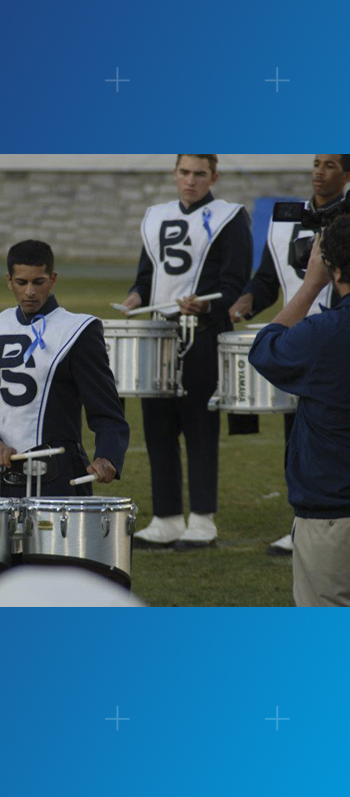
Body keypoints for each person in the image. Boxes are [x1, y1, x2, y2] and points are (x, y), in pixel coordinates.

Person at [121, 155, 252, 548]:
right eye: (184, 172)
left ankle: (203, 519)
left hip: (205, 332)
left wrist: (206, 306)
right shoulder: (157, 216)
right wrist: (134, 297)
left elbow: (235, 282)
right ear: (174, 174)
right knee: (157, 425)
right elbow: (147, 277)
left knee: (199, 425)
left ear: (214, 176)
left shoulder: (229, 217)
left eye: (199, 174)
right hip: (159, 332)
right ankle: (166, 517)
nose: (190, 181)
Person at [229, 155, 348, 555]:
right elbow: (268, 278)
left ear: (346, 176)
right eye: (315, 163)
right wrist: (247, 300)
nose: (319, 171)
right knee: (298, 435)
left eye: (330, 165)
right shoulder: (285, 221)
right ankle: (299, 520)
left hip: (332, 341)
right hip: (303, 342)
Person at [0, 240, 129, 498]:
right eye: (21, 282)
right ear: (8, 280)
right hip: (1, 477)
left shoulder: (77, 331)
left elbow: (107, 410)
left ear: (53, 279)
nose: (29, 292)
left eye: (38, 282)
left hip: (61, 476)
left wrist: (107, 456)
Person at [248, 217, 350, 605]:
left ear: (333, 268)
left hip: (332, 507)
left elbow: (266, 348)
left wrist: (311, 284)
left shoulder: (323, 333)